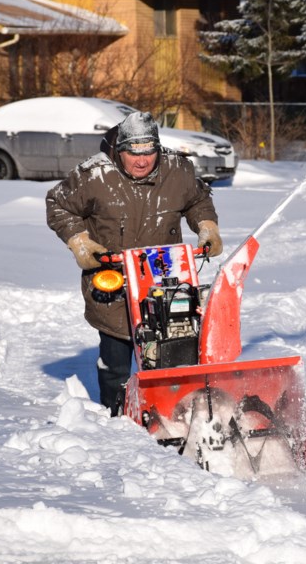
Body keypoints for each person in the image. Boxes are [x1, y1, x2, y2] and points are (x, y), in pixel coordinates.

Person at [45, 111, 223, 415]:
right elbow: (58, 205)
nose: (142, 161)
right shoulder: (93, 175)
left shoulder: (177, 169)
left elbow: (198, 200)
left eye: (149, 152)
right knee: (116, 358)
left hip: (165, 278)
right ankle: (116, 417)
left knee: (175, 349)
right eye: (133, 153)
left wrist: (207, 227)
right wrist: (81, 243)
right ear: (119, 150)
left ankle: (175, 413)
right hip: (113, 277)